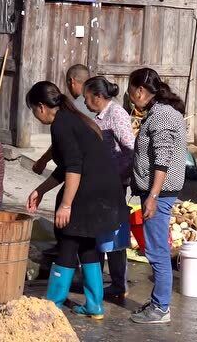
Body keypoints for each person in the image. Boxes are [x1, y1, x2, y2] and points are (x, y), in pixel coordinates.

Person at [25, 81, 128, 319]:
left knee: (68, 240)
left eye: (33, 110)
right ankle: (94, 306)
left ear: (41, 107)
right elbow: (66, 167)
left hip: (89, 193)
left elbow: (73, 167)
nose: (35, 115)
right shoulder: (75, 118)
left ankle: (52, 305)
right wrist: (40, 191)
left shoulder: (61, 124)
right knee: (87, 244)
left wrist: (66, 205)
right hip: (105, 192)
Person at [127, 68, 186, 324]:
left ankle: (161, 308)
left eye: (131, 92)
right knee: (156, 247)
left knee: (157, 250)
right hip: (156, 191)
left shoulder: (161, 115)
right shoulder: (159, 112)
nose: (130, 97)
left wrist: (152, 195)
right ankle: (157, 302)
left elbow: (162, 159)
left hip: (159, 193)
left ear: (140, 90)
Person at [83, 76, 135, 301]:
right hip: (102, 183)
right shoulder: (100, 116)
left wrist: (121, 177)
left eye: (87, 97)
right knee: (102, 231)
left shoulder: (117, 114)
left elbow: (131, 149)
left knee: (113, 234)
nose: (84, 102)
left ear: (97, 96)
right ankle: (102, 281)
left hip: (115, 184)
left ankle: (117, 283)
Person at [32, 64, 93, 174]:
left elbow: (65, 146)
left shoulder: (76, 109)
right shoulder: (100, 99)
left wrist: (43, 160)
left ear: (71, 81)